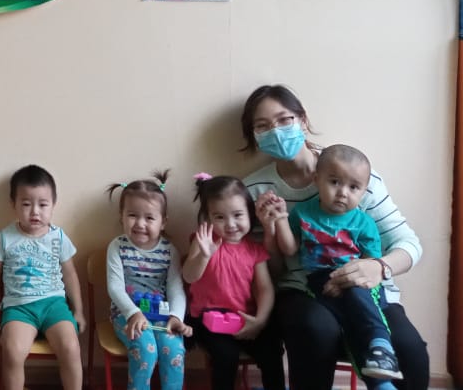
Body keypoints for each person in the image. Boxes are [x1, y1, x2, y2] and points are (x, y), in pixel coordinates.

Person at [241, 84, 428, 390]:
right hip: (303, 289)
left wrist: (378, 267)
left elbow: (409, 244)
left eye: (284, 120)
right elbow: (272, 268)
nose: (275, 132)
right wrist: (272, 228)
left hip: (367, 286)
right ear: (254, 136)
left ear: (302, 120)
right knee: (315, 330)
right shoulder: (255, 190)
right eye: (262, 126)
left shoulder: (357, 174)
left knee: (410, 352)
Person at [263, 145, 402, 385]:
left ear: (364, 191)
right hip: (320, 281)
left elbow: (371, 263)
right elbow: (290, 249)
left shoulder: (363, 222)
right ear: (316, 179)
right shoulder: (304, 213)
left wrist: (346, 282)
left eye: (353, 187)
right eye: (335, 182)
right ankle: (381, 381)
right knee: (346, 323)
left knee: (358, 305)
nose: (342, 193)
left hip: (357, 278)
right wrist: (282, 219)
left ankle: (382, 348)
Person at [0, 165, 84, 390]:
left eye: (43, 204)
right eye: (26, 204)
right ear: (13, 204)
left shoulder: (58, 237)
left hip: (54, 305)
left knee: (70, 348)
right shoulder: (5, 238)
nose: (35, 212)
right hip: (18, 308)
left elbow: (70, 274)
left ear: (53, 204)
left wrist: (78, 310)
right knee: (12, 350)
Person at [182, 175, 284, 390]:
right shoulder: (203, 242)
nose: (230, 224)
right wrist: (204, 256)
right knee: (226, 356)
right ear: (208, 219)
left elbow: (265, 289)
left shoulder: (254, 249)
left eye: (237, 215)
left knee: (272, 351)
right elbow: (189, 276)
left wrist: (260, 320)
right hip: (209, 320)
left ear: (250, 214)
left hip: (246, 318)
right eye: (219, 217)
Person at [104, 172, 190, 390]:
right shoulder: (117, 247)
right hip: (126, 314)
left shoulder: (170, 251)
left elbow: (176, 289)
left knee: (174, 350)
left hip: (162, 315)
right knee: (145, 350)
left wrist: (176, 317)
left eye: (150, 218)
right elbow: (115, 287)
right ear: (122, 217)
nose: (140, 224)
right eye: (133, 215)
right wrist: (133, 313)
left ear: (163, 222)